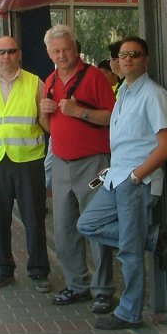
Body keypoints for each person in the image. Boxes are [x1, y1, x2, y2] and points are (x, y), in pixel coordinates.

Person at [77, 36, 167, 330]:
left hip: (136, 182)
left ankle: (130, 314)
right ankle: (152, 238)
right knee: (87, 224)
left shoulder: (153, 95)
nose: (128, 59)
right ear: (116, 62)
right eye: (123, 55)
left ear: (146, 59)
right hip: (116, 177)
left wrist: (137, 175)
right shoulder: (123, 92)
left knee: (130, 252)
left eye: (135, 54)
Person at [38, 25, 117, 314]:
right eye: (56, 51)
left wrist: (79, 112)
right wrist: (44, 113)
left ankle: (103, 290)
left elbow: (113, 117)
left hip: (93, 163)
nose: (62, 55)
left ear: (76, 49)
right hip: (61, 162)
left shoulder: (94, 76)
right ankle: (77, 285)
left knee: (96, 226)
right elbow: (48, 126)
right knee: (64, 229)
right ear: (49, 53)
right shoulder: (49, 81)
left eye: (66, 49)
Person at [0, 36, 51, 293]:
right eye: (1, 52)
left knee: (34, 218)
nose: (6, 56)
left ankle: (39, 271)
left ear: (19, 54)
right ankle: (2, 269)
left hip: (28, 160)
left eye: (11, 51)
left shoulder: (35, 83)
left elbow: (45, 123)